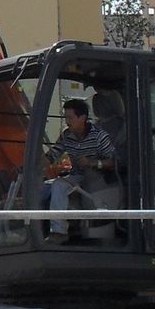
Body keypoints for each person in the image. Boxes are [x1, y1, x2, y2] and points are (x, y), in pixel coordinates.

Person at [40, 97, 115, 239]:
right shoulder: (66, 135)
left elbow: (114, 162)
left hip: (98, 179)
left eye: (70, 117)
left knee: (59, 185)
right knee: (43, 188)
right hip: (77, 177)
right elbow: (52, 156)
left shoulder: (99, 136)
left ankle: (59, 232)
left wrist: (92, 163)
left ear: (83, 118)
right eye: (65, 117)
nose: (67, 121)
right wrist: (36, 158)